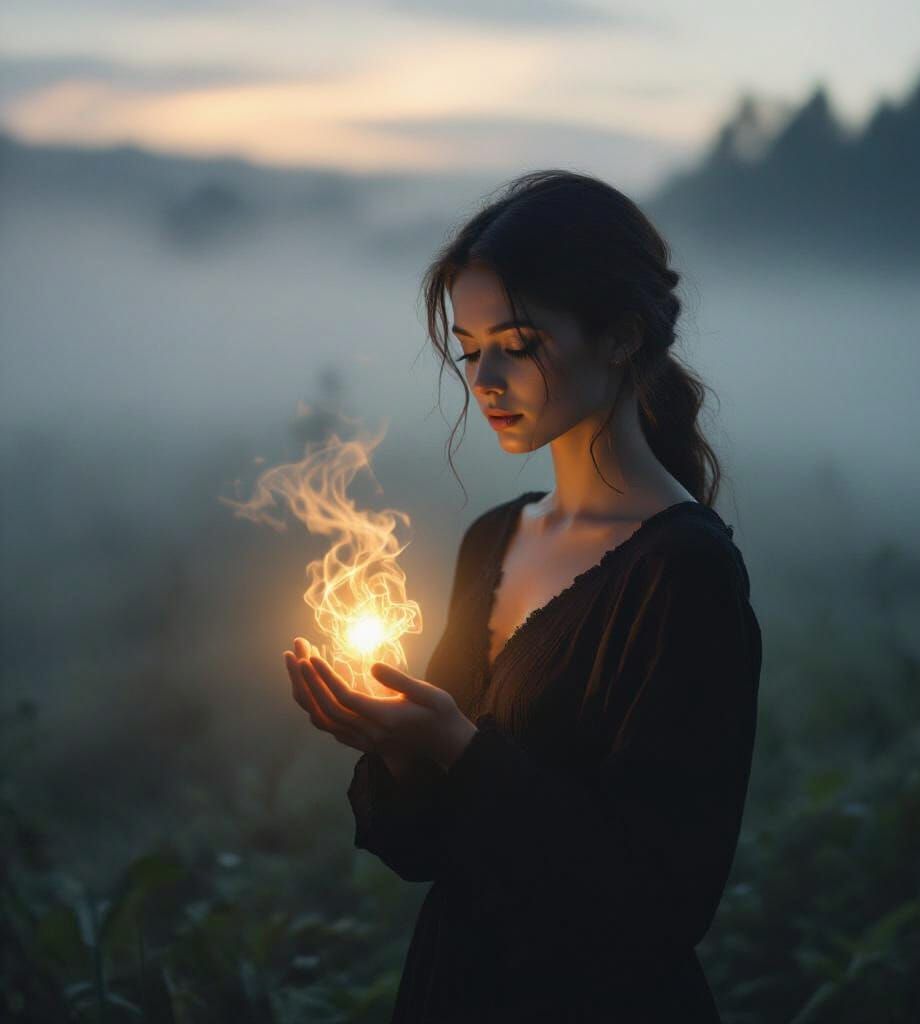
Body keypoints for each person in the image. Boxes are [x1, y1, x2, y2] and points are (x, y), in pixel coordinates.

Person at [283, 169, 762, 1022]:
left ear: (619, 336)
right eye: (469, 349)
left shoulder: (684, 574)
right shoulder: (494, 540)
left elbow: (662, 905)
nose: (485, 379)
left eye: (518, 342)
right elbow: (426, 846)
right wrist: (399, 748)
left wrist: (456, 744)